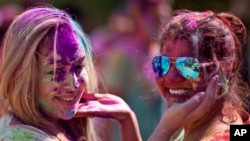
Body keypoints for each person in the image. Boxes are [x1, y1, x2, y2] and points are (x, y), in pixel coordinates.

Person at [0, 6, 141, 141]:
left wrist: (127, 120)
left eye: (79, 67)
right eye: (57, 71)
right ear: (23, 76)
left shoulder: (61, 123)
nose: (73, 84)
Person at [147, 9, 250, 140]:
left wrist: (163, 130)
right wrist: (128, 122)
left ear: (225, 69)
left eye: (187, 65)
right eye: (162, 63)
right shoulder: (189, 126)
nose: (171, 77)